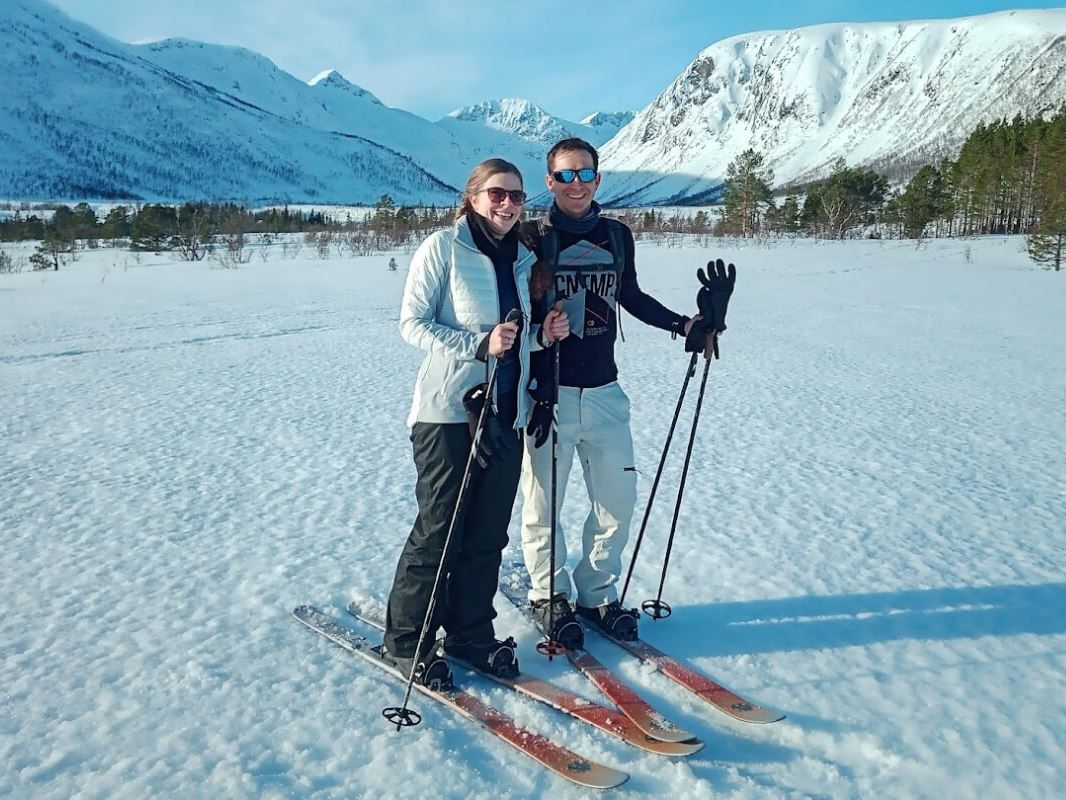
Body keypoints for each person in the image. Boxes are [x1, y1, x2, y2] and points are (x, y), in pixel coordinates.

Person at [382, 158, 570, 683]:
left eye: (516, 196)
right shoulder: (444, 248)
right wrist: (477, 343)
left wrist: (541, 337)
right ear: (473, 196)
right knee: (440, 529)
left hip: (506, 415)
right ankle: (406, 640)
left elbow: (513, 340)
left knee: (487, 535)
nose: (508, 204)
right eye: (497, 194)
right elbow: (412, 325)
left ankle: (469, 633)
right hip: (449, 414)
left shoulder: (521, 258)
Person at [518, 138, 702, 647]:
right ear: (550, 181)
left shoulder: (617, 237)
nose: (576, 184)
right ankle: (547, 596)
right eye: (565, 175)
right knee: (543, 504)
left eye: (585, 175)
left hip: (604, 392)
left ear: (598, 180)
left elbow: (632, 296)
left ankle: (597, 594)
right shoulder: (530, 236)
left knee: (616, 501)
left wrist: (683, 325)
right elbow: (510, 302)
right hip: (548, 394)